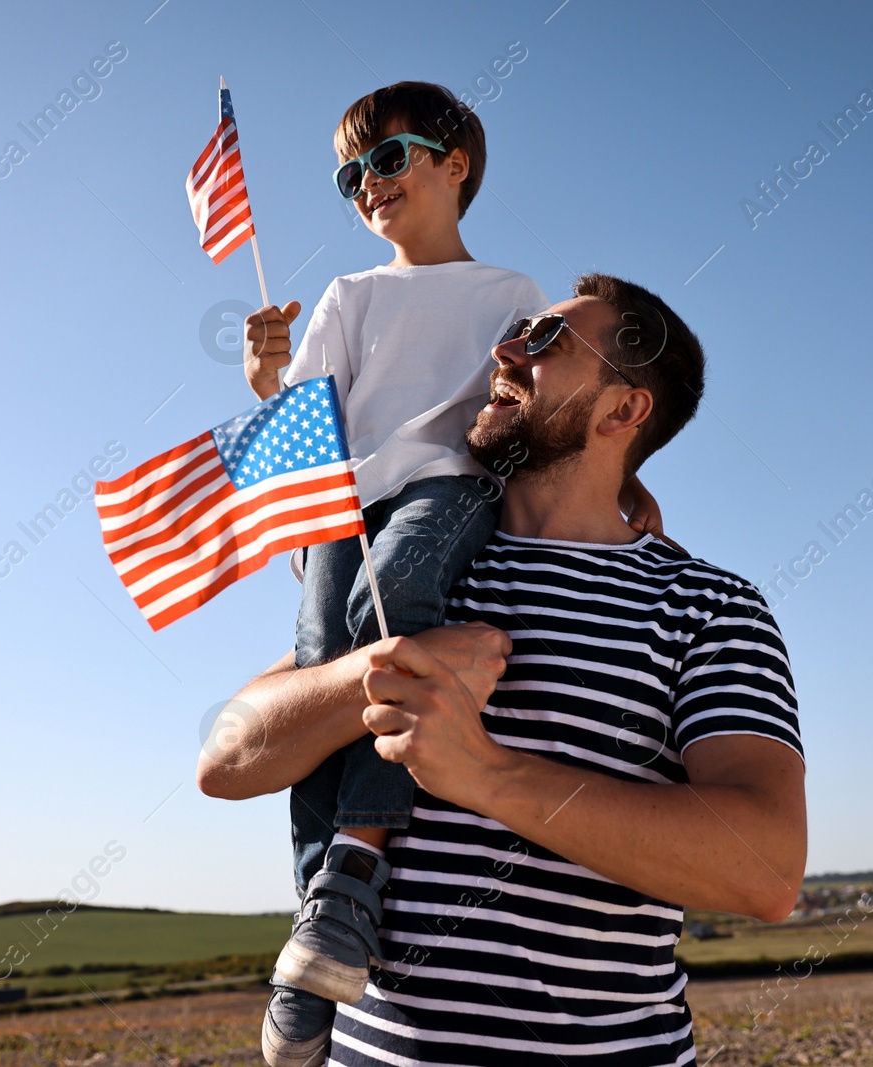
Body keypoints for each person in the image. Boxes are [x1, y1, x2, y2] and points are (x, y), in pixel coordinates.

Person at [205, 273, 806, 1066]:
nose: (505, 349)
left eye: (547, 341)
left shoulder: (708, 607)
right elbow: (227, 757)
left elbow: (764, 868)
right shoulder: (414, 580)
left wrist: (484, 772)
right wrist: (375, 678)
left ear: (623, 410)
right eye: (519, 331)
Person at [239, 84, 668, 1062]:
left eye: (386, 160)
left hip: (452, 485)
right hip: (346, 497)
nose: (366, 187)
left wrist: (622, 484)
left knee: (390, 609)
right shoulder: (350, 297)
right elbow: (300, 424)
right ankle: (324, 921)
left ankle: (357, 862)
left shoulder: (510, 293)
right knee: (321, 667)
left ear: (454, 163)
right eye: (351, 176)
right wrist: (266, 378)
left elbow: (548, 404)